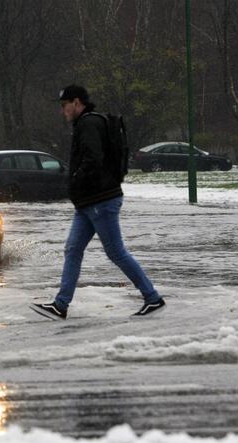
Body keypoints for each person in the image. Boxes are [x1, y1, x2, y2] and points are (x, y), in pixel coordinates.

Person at [31, 85, 165, 320]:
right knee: (72, 249)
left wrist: (75, 179)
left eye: (65, 106)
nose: (63, 111)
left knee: (115, 252)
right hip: (88, 202)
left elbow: (93, 159)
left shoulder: (89, 124)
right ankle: (60, 305)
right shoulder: (85, 124)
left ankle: (152, 297)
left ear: (76, 102)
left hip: (100, 200)